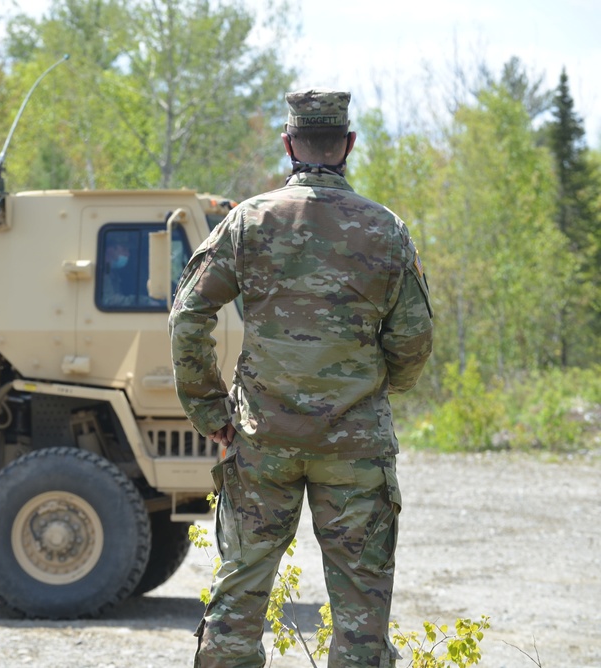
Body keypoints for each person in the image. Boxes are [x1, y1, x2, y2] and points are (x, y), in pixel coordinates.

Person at [169, 88, 434, 668]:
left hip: (263, 444)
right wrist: (376, 386)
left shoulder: (248, 222)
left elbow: (188, 314)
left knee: (238, 598)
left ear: (289, 144)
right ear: (349, 146)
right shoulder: (386, 230)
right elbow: (413, 342)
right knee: (362, 611)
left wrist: (210, 411)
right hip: (356, 446)